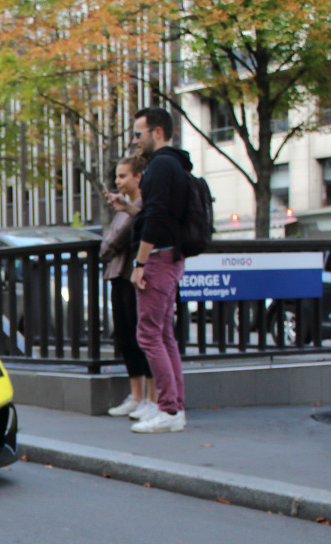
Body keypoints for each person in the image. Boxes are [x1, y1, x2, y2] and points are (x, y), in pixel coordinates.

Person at [129, 106, 192, 434]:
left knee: (150, 334)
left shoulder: (160, 167)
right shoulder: (177, 164)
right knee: (164, 335)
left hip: (159, 258)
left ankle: (168, 409)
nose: (135, 140)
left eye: (139, 133)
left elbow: (154, 217)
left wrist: (140, 263)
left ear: (157, 132)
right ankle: (174, 407)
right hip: (173, 257)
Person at [101, 155, 157, 421]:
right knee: (125, 336)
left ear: (138, 177)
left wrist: (107, 244)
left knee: (142, 336)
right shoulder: (125, 205)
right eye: (117, 176)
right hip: (119, 274)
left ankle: (150, 398)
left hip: (132, 272)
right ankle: (137, 397)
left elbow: (114, 240)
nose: (118, 181)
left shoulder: (142, 204)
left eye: (123, 176)